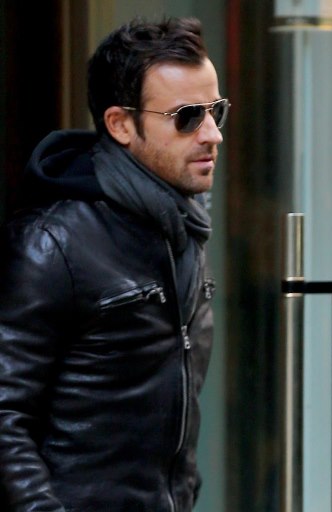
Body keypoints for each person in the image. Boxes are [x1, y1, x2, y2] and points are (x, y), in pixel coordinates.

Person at [0, 17, 229, 511]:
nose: (212, 134)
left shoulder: (182, 229)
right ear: (121, 124)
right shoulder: (52, 243)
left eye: (216, 111)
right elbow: (5, 417)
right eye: (188, 116)